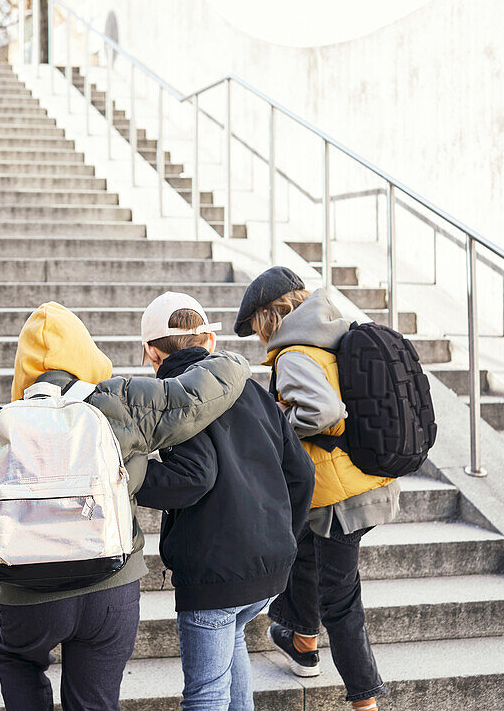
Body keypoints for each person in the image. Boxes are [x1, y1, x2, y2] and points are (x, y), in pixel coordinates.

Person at [0, 301, 251, 711]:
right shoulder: (118, 402)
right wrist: (230, 358)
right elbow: (193, 397)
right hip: (111, 588)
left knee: (17, 660)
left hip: (30, 597)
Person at [134, 292, 314, 711]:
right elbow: (303, 474)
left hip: (215, 573)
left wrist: (128, 473)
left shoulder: (176, 396)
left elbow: (192, 478)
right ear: (208, 342)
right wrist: (283, 536)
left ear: (151, 353)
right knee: (232, 648)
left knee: (206, 695)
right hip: (269, 565)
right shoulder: (250, 389)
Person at [234, 268, 400, 711]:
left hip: (339, 498)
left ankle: (365, 700)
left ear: (270, 317)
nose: (259, 338)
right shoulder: (334, 334)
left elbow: (326, 412)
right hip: (362, 481)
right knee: (300, 549)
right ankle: (302, 640)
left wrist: (278, 426)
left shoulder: (293, 354)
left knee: (341, 602)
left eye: (256, 328)